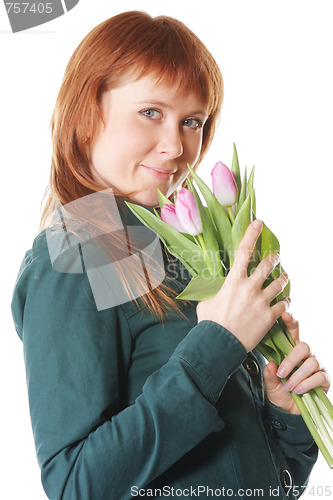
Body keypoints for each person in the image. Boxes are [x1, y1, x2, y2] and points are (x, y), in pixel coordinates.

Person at [11, 10, 330, 500]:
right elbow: (76, 486)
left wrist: (284, 417)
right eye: (151, 112)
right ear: (88, 109)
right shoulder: (79, 247)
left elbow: (247, 482)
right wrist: (218, 342)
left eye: (193, 122)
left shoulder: (170, 248)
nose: (175, 147)